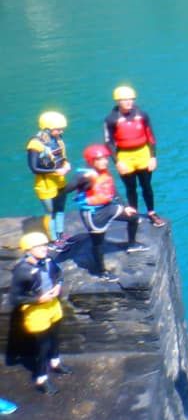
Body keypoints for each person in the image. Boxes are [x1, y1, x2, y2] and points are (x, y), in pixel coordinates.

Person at [59, 144, 147, 279]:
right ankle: (101, 271)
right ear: (91, 161)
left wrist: (125, 205)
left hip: (109, 207)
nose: (105, 161)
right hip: (94, 214)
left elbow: (112, 190)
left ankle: (132, 244)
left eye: (105, 158)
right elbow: (64, 191)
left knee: (133, 217)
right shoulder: (84, 176)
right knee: (98, 242)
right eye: (100, 159)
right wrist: (60, 177)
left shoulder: (104, 172)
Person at [9, 232, 72, 395]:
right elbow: (15, 298)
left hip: (52, 304)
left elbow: (58, 274)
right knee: (42, 346)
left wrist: (58, 284)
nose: (44, 248)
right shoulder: (22, 270)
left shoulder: (49, 261)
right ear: (29, 250)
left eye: (45, 245)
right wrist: (38, 299)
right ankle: (41, 378)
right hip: (36, 311)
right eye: (39, 246)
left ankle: (55, 362)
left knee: (55, 337)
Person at [104, 86, 166, 228]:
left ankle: (151, 212)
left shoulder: (142, 115)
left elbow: (150, 136)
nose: (128, 102)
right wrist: (117, 162)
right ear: (118, 101)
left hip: (142, 153)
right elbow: (109, 142)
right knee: (130, 187)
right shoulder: (111, 119)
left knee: (146, 186)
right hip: (125, 155)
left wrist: (153, 157)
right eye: (125, 100)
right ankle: (134, 213)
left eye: (131, 99)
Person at [26, 111, 72, 247]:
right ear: (47, 128)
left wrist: (66, 164)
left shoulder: (58, 139)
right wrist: (55, 170)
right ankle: (53, 239)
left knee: (60, 208)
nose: (61, 131)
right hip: (45, 183)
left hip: (59, 180)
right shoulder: (35, 144)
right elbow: (34, 168)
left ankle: (60, 233)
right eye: (58, 129)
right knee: (51, 212)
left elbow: (61, 157)